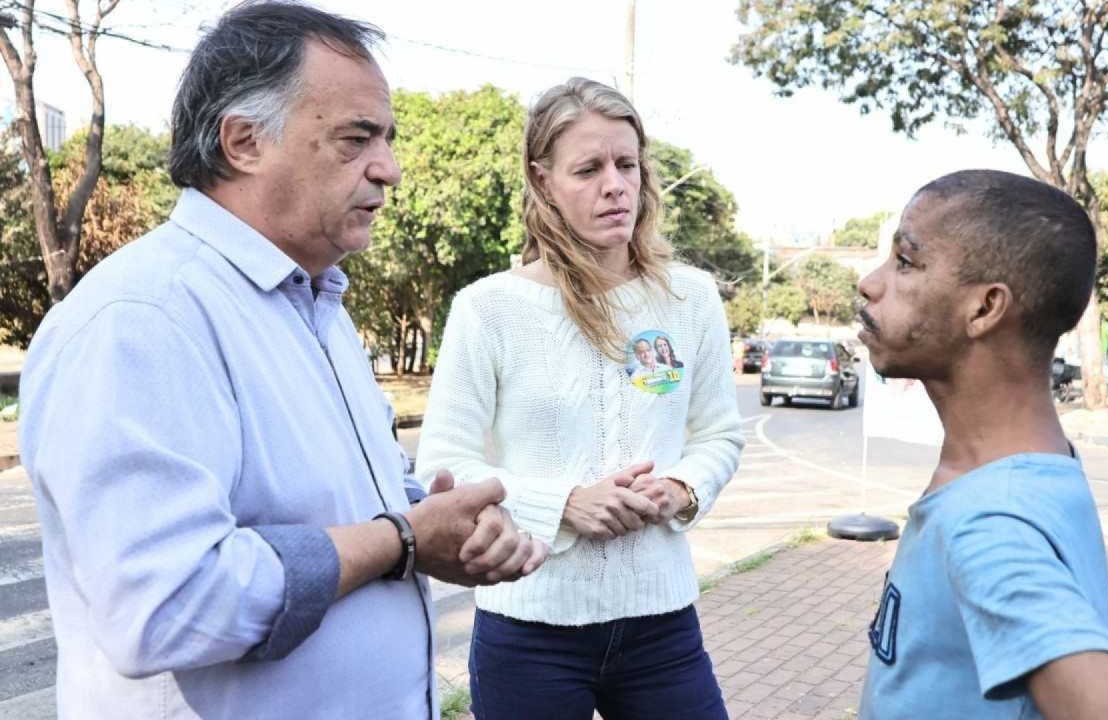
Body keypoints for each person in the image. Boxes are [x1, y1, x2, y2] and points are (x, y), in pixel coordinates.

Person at [17, 4, 546, 719]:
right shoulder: (144, 319)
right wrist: (401, 541)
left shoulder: (317, 308)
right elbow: (168, 605)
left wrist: (439, 527)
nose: (387, 169)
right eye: (356, 139)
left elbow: (345, 512)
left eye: (386, 139)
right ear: (243, 142)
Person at [415, 77, 744, 720]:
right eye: (588, 169)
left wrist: (680, 489)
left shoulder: (690, 297)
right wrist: (563, 503)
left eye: (627, 164)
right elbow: (443, 466)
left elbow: (719, 434)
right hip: (528, 628)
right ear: (543, 182)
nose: (615, 185)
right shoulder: (488, 308)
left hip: (662, 625)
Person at [855, 169, 1108, 719]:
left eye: (906, 262)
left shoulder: (991, 523)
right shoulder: (1030, 463)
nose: (870, 284)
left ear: (985, 308)